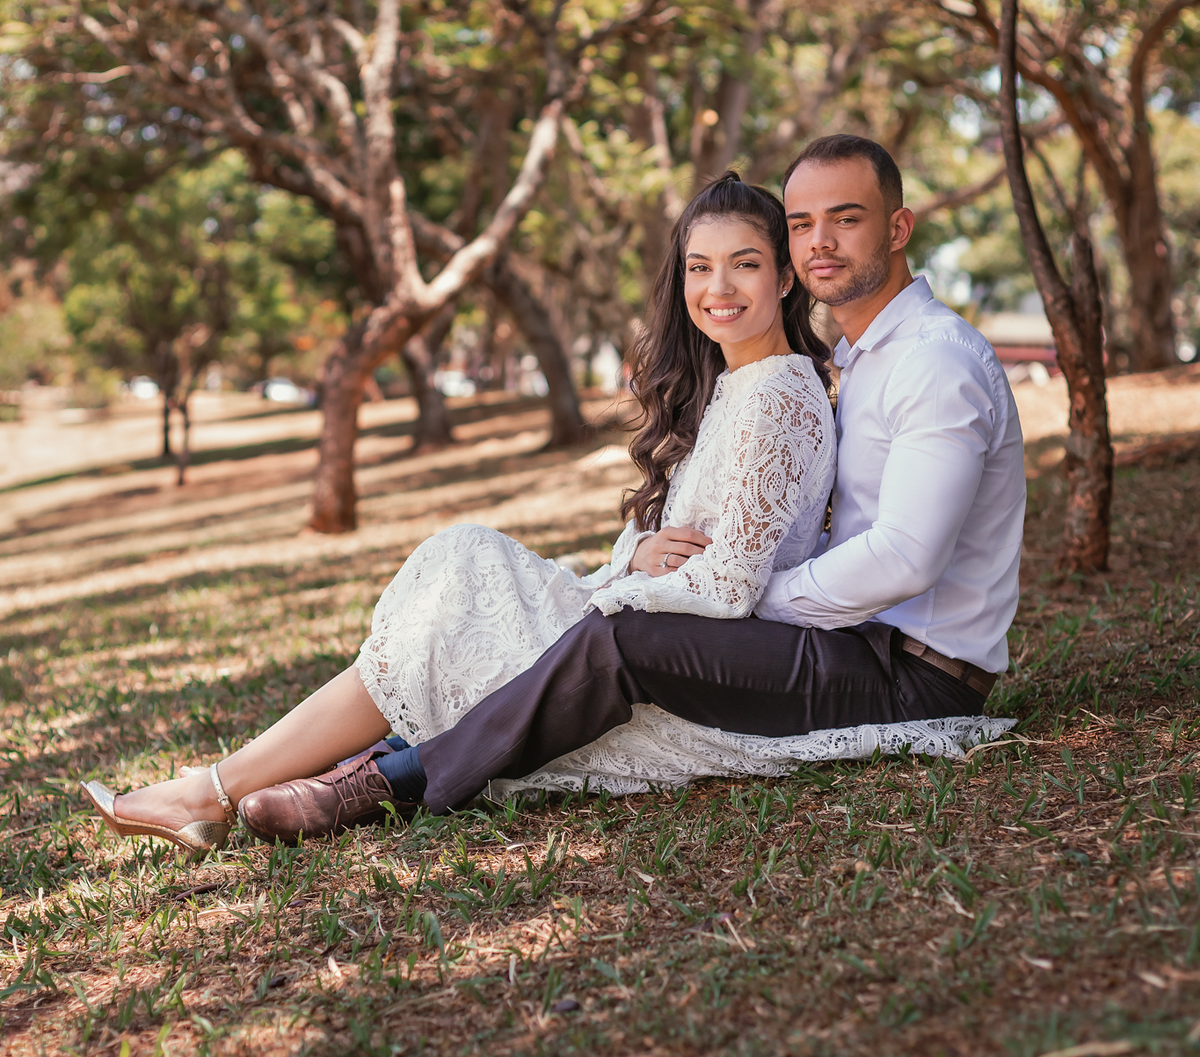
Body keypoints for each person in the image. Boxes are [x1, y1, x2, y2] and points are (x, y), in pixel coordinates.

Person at [226, 131, 1025, 836]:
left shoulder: (932, 360)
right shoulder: (850, 362)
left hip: (914, 675)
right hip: (849, 639)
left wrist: (756, 598)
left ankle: (396, 780)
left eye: (845, 219)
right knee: (528, 597)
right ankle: (369, 754)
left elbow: (906, 559)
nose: (821, 242)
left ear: (898, 227)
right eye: (804, 222)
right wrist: (661, 565)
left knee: (619, 635)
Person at [82, 172, 838, 858]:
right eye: (700, 268)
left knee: (466, 571)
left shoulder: (776, 395)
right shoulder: (734, 386)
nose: (719, 288)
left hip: (675, 670)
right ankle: (228, 788)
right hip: (645, 624)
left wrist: (605, 592)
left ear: (783, 275)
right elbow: (681, 541)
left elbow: (733, 587)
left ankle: (211, 791)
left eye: (744, 263)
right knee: (457, 571)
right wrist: (632, 559)